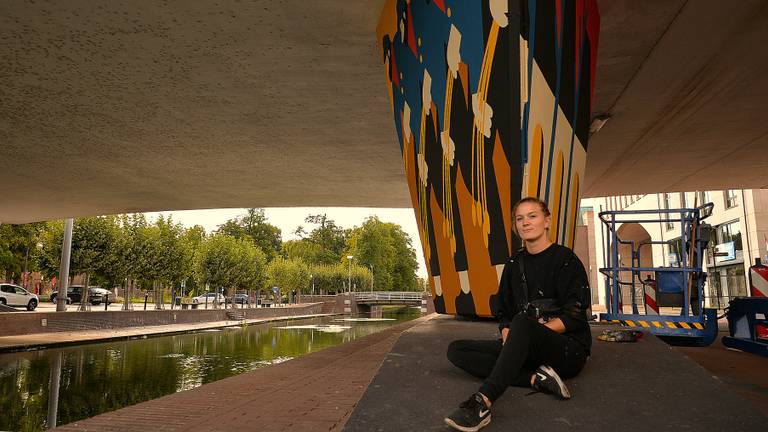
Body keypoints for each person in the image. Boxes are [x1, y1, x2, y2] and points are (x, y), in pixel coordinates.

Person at [444, 197, 592, 432]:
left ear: (547, 221)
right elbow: (505, 311)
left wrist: (528, 334)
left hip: (566, 349)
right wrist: (507, 332)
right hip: (525, 344)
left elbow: (575, 317)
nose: (525, 222)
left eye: (532, 216)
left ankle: (482, 403)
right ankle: (536, 379)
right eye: (519, 218)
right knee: (457, 350)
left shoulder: (566, 260)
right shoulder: (514, 263)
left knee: (521, 322)